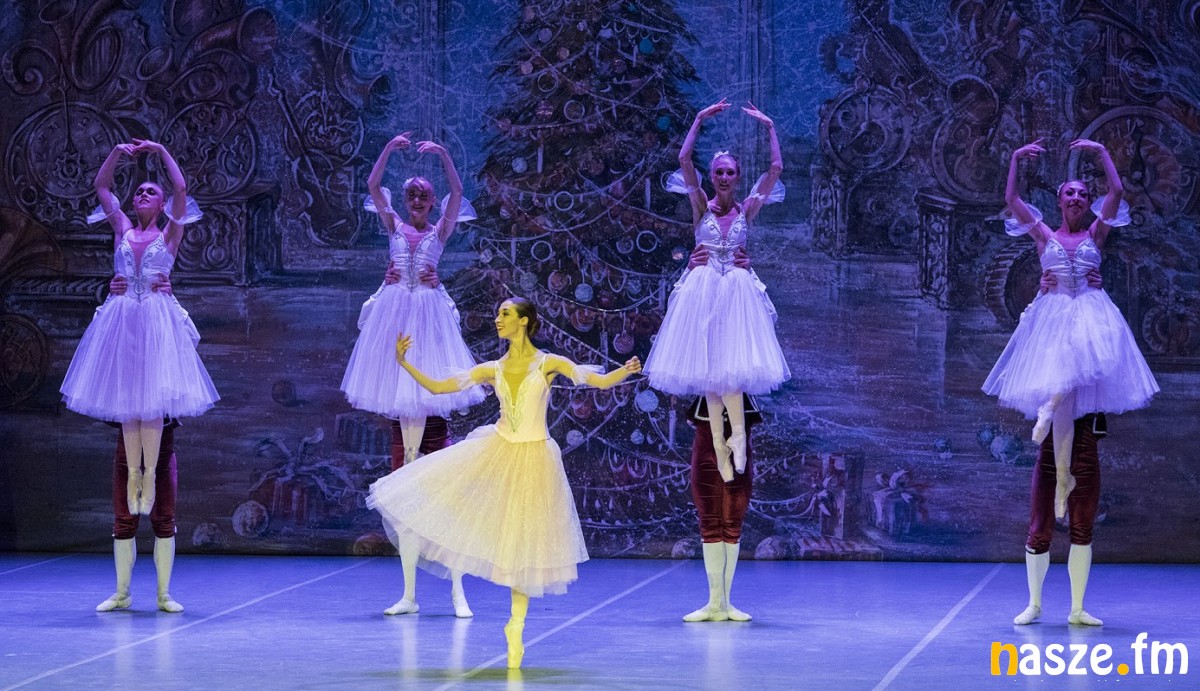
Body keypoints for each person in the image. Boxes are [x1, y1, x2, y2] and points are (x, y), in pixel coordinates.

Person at [368, 298, 641, 668]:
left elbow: (597, 380)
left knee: (525, 544)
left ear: (524, 321)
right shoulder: (492, 368)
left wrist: (624, 371)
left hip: (535, 458)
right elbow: (439, 388)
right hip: (498, 450)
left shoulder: (548, 363)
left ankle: (516, 624)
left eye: (505, 314)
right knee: (483, 520)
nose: (497, 319)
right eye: (497, 313)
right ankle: (486, 607)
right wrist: (404, 363)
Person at [983, 138, 1159, 626]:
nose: (1078, 199)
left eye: (1083, 193)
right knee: (1059, 413)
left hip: (1091, 320)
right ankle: (1036, 600)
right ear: (1060, 201)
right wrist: (1015, 159)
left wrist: (1101, 151)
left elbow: (1117, 191)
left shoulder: (1097, 234)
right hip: (1054, 322)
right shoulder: (1044, 236)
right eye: (1070, 194)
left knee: (1080, 414)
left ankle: (1077, 605)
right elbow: (1012, 200)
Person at [60, 140, 217, 611]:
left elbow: (181, 188)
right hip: (125, 322)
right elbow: (101, 185)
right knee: (129, 403)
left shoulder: (170, 233)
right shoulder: (123, 230)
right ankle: (135, 479)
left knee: (153, 409)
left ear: (161, 203)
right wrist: (115, 152)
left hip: (157, 324)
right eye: (141, 191)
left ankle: (147, 481)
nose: (144, 194)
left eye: (152, 191)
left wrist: (162, 150)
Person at [341, 133, 484, 618]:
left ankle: (416, 470)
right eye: (413, 195)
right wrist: (387, 149)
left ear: (431, 201)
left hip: (428, 318)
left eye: (425, 195)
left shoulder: (440, 231)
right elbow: (372, 185)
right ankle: (407, 472)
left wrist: (443, 155)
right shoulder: (394, 226)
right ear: (406, 202)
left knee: (425, 405)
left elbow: (458, 193)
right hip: (397, 316)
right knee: (403, 412)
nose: (419, 201)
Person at [643, 99, 790, 482]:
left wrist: (770, 126)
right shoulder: (700, 205)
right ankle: (721, 451)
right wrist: (698, 118)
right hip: (704, 285)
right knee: (710, 369)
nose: (724, 177)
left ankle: (737, 438)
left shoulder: (747, 209)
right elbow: (683, 158)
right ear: (712, 176)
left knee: (732, 373)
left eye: (730, 172)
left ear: (737, 178)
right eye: (719, 172)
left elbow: (775, 168)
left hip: (737, 290)